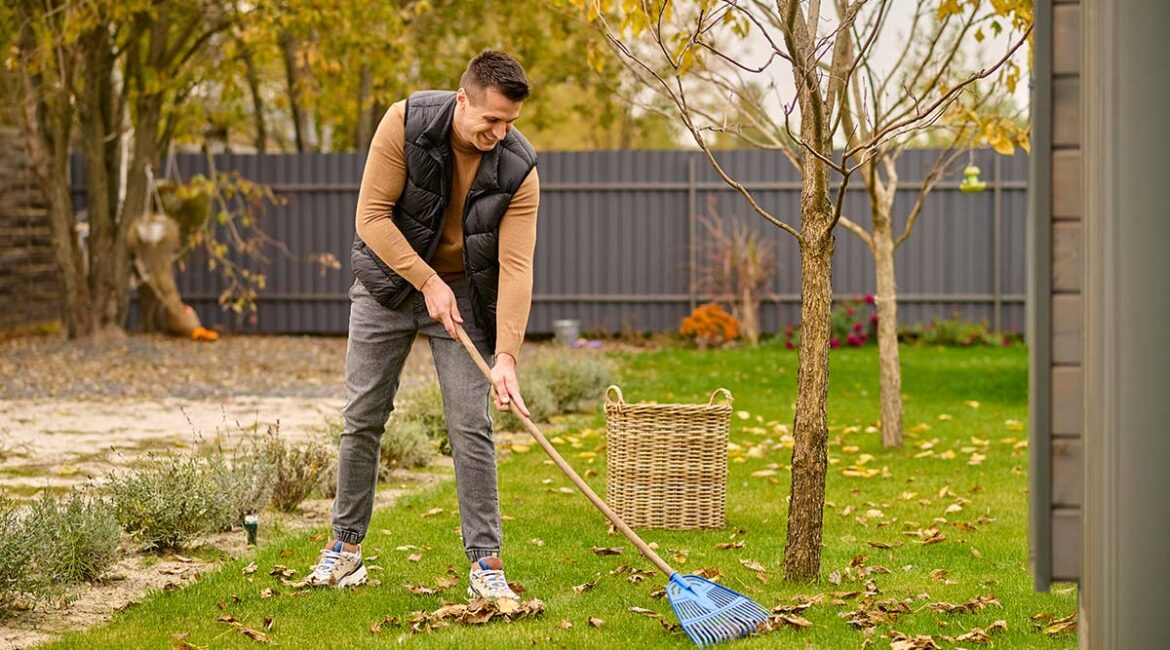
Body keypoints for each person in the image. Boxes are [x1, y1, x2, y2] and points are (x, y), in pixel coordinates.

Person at [304, 50, 540, 603]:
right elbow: (371, 218)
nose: (500, 134)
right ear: (463, 100)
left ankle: (486, 563)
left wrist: (507, 355)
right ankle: (346, 549)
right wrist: (426, 280)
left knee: (470, 424)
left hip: (461, 293)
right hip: (388, 283)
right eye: (491, 121)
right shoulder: (405, 122)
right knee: (362, 415)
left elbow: (516, 267)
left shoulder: (519, 167)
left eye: (510, 123)